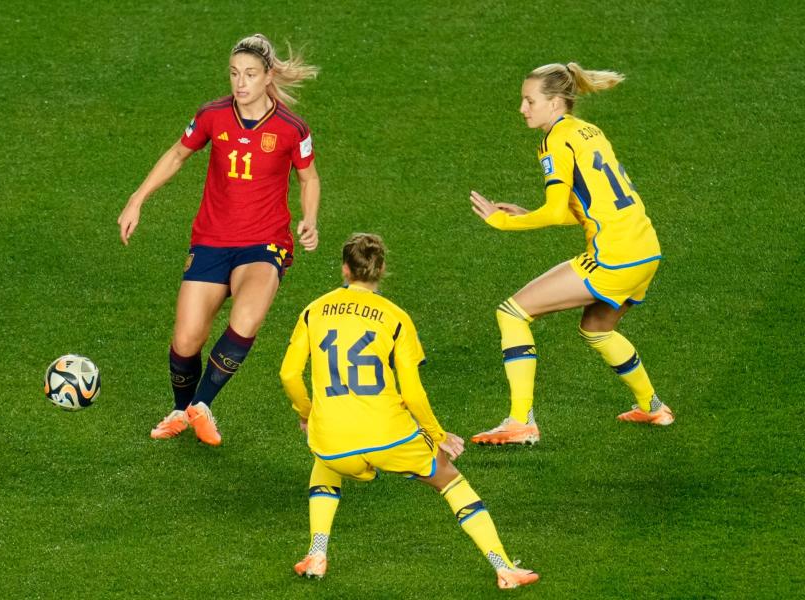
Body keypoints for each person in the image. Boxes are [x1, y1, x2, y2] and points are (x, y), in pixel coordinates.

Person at [279, 233, 538, 590]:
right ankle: (504, 566)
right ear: (381, 269)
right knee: (450, 481)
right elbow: (412, 393)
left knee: (325, 462)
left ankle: (316, 553)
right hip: (391, 435)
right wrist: (437, 434)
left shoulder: (313, 310)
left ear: (344, 269)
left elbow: (289, 374)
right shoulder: (396, 318)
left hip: (333, 442)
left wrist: (308, 415)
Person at [118, 34, 320, 446]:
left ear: (268, 77)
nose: (240, 83)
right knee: (186, 338)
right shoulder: (212, 115)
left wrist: (310, 218)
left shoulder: (291, 128)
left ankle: (202, 404)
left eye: (249, 74)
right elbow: (177, 154)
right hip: (211, 240)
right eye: (234, 74)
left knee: (246, 318)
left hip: (264, 243)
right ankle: (181, 409)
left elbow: (308, 177)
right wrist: (137, 199)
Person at [468, 62, 674, 446]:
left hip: (613, 255)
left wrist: (502, 222)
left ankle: (520, 421)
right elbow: (587, 205)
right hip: (645, 249)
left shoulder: (555, 140)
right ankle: (652, 406)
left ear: (556, 102)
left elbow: (552, 211)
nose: (522, 109)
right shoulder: (589, 131)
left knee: (512, 312)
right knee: (597, 328)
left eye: (530, 101)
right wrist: (528, 214)